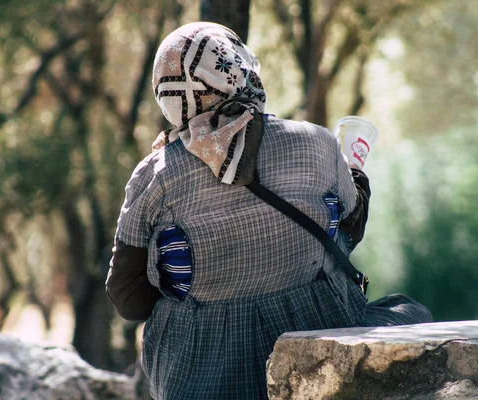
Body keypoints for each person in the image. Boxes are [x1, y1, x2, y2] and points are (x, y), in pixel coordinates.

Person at [106, 22, 432, 400]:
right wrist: (355, 174)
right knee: (408, 312)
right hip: (316, 354)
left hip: (202, 376)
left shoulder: (156, 176)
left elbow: (127, 299)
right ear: (239, 66)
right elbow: (348, 232)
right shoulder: (317, 143)